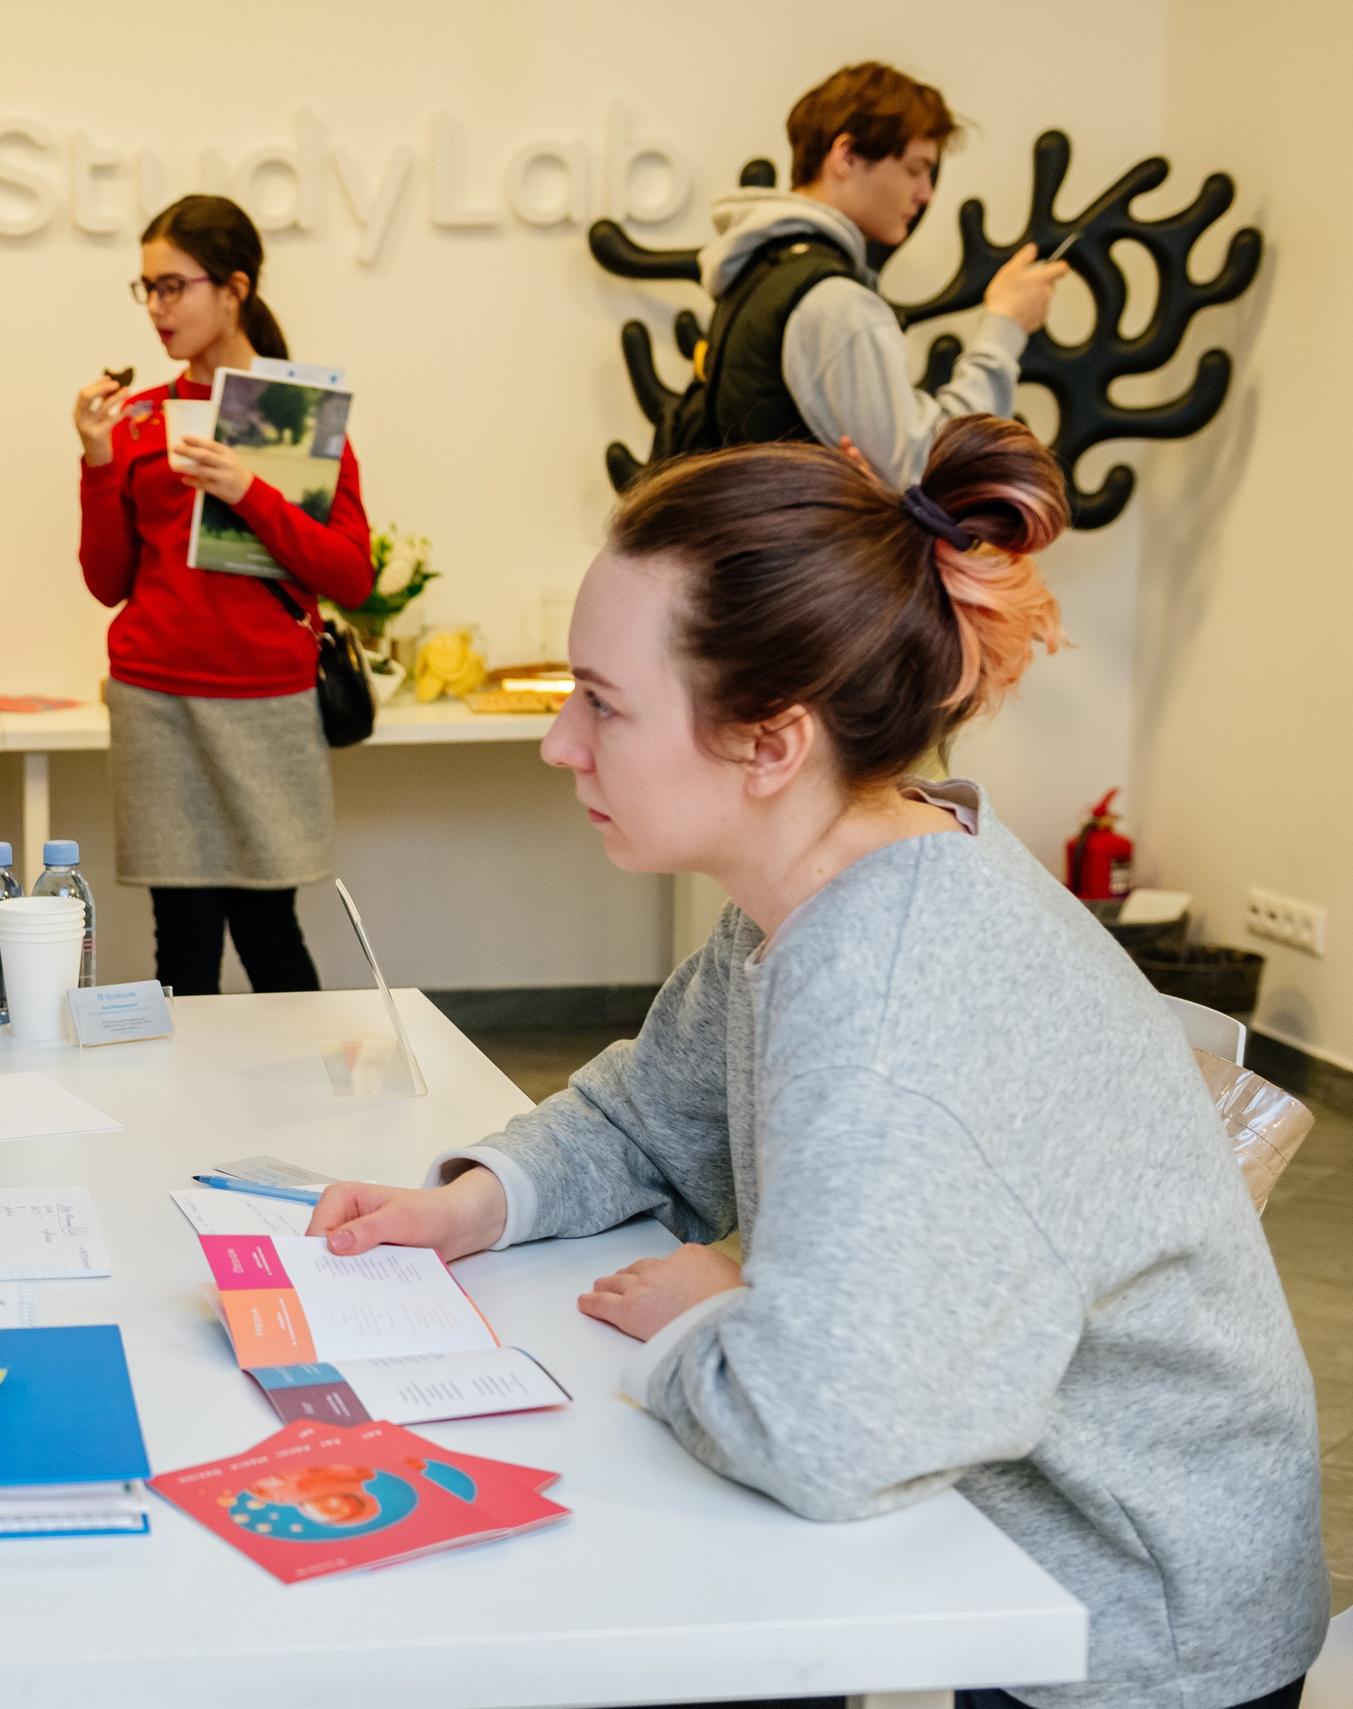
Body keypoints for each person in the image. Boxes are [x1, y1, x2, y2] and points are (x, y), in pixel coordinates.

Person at [309, 418, 1327, 1709]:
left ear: (770, 742)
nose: (562, 742)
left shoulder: (901, 988)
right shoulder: (818, 880)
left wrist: (703, 1314)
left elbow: (832, 1431)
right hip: (998, 1529)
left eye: (603, 704)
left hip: (1129, 1622)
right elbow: (649, 1112)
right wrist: (476, 1200)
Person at [72, 194, 373, 995]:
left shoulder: (294, 415)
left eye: (175, 286)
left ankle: (306, 1121)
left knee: (271, 932)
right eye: (148, 289)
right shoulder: (138, 418)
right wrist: (97, 461)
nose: (158, 309)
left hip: (266, 697)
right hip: (155, 696)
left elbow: (350, 574)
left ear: (234, 289)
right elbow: (107, 582)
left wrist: (248, 488)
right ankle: (190, 1117)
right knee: (184, 943)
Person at [680, 62, 1068, 487]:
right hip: (804, 555)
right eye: (915, 169)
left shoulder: (757, 271)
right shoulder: (833, 301)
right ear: (846, 156)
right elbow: (929, 472)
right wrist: (1004, 329)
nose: (926, 194)